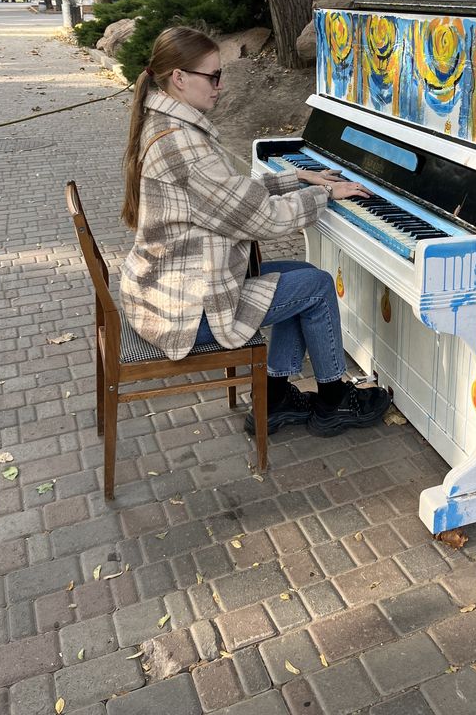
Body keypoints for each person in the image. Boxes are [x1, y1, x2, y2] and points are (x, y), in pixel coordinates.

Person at [120, 26, 391, 437]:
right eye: (212, 76)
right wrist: (328, 195)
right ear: (179, 78)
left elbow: (228, 196)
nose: (220, 85)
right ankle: (334, 401)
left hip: (172, 291)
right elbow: (263, 219)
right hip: (185, 312)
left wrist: (300, 179)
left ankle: (277, 396)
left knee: (294, 279)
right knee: (315, 286)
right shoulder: (182, 144)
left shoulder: (165, 125)